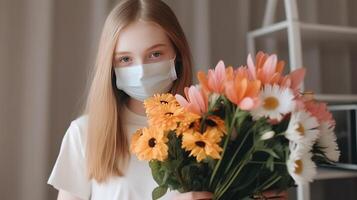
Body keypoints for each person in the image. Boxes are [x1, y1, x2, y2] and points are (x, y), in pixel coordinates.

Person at [47, 0, 213, 199]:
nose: (141, 72)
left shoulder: (210, 130)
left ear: (177, 54)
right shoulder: (85, 133)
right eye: (125, 59)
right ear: (111, 66)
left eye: (155, 54)